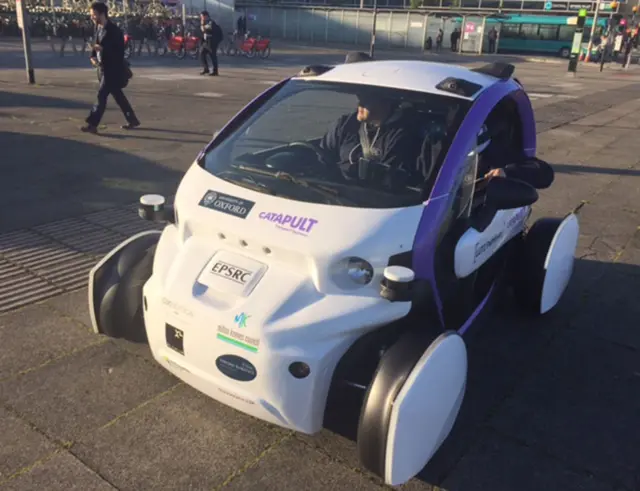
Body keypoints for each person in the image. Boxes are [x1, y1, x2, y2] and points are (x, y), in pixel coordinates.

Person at [319, 92, 419, 188]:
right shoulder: (345, 124)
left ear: (386, 102)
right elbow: (322, 157)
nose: (359, 103)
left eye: (367, 99)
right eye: (360, 97)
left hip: (370, 199)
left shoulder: (402, 134)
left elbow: (388, 181)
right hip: (333, 193)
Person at [81, 2, 139, 134]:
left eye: (94, 15)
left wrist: (103, 49)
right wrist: (93, 56)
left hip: (112, 69)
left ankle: (92, 124)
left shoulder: (114, 31)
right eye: (91, 15)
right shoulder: (98, 29)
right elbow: (96, 45)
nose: (92, 18)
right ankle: (132, 119)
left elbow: (119, 52)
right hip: (102, 68)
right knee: (118, 95)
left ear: (102, 14)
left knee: (101, 96)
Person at [199, 11, 223, 76]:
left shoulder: (210, 22)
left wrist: (202, 25)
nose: (201, 18)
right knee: (202, 53)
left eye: (202, 16)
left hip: (212, 42)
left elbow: (206, 28)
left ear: (205, 16)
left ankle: (215, 71)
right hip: (207, 42)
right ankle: (206, 69)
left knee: (213, 56)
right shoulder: (206, 22)